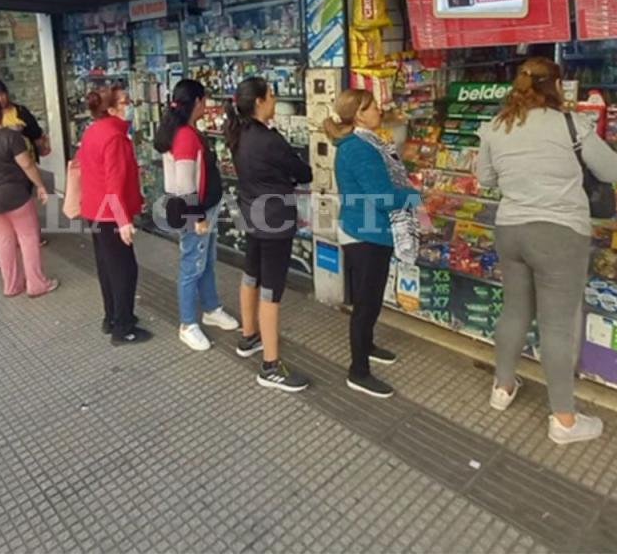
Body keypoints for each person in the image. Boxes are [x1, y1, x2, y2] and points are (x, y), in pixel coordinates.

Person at [475, 57, 617, 445]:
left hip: (510, 229)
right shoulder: (572, 124)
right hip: (559, 234)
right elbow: (613, 171)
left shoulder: (496, 126)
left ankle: (502, 388)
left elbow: (486, 179)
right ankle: (564, 421)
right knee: (557, 327)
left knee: (514, 311)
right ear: (556, 86)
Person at [326, 89, 419, 399]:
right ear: (359, 114)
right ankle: (358, 371)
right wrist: (414, 196)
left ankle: (367, 346)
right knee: (366, 304)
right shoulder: (359, 149)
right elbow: (381, 197)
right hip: (366, 233)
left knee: (371, 298)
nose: (380, 109)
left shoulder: (366, 142)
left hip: (367, 230)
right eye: (373, 106)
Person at [226, 77, 313, 392]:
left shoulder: (238, 133)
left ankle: (249, 336)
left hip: (252, 215)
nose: (275, 100)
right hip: (274, 220)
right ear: (260, 101)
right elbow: (304, 172)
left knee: (251, 275)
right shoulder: (269, 140)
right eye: (272, 95)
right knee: (271, 291)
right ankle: (271, 366)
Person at [155, 79, 239, 351]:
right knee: (192, 264)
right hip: (196, 210)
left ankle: (211, 308)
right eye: (205, 100)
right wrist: (197, 217)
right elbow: (185, 184)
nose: (208, 105)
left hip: (205, 207)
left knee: (206, 261)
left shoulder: (185, 131)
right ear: (198, 102)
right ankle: (188, 324)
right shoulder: (185, 136)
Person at [0, 95, 58, 298]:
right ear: (0, 113)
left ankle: (11, 285)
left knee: (4, 239)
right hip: (15, 195)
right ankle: (36, 283)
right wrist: (39, 184)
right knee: (28, 237)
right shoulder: (10, 137)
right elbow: (26, 163)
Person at [76, 88, 148, 345]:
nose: (130, 105)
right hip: (111, 213)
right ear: (112, 108)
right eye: (125, 102)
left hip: (94, 209)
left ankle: (112, 317)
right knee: (125, 270)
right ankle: (124, 328)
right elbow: (115, 183)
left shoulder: (92, 130)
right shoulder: (116, 137)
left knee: (107, 267)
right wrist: (124, 220)